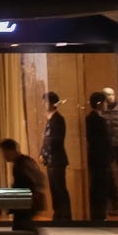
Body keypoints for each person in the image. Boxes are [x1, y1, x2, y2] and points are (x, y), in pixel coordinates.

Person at [0, 139, 59, 235]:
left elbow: (38, 178)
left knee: (22, 227)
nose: (4, 156)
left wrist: (34, 193)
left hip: (28, 202)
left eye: (4, 152)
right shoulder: (19, 163)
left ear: (11, 150)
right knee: (23, 227)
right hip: (24, 201)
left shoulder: (24, 162)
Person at [39, 91, 72, 224]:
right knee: (54, 189)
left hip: (57, 160)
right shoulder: (51, 119)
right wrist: (42, 153)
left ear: (53, 103)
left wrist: (45, 154)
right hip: (51, 160)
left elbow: (55, 141)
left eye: (47, 101)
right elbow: (46, 140)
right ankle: (58, 214)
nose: (44, 104)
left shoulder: (58, 119)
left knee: (59, 188)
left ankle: (65, 216)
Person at [88, 91, 116, 224]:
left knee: (102, 187)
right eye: (105, 101)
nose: (106, 104)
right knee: (99, 188)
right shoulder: (96, 120)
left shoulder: (96, 119)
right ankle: (99, 216)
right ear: (99, 103)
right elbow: (101, 142)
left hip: (101, 160)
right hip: (99, 161)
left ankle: (100, 214)